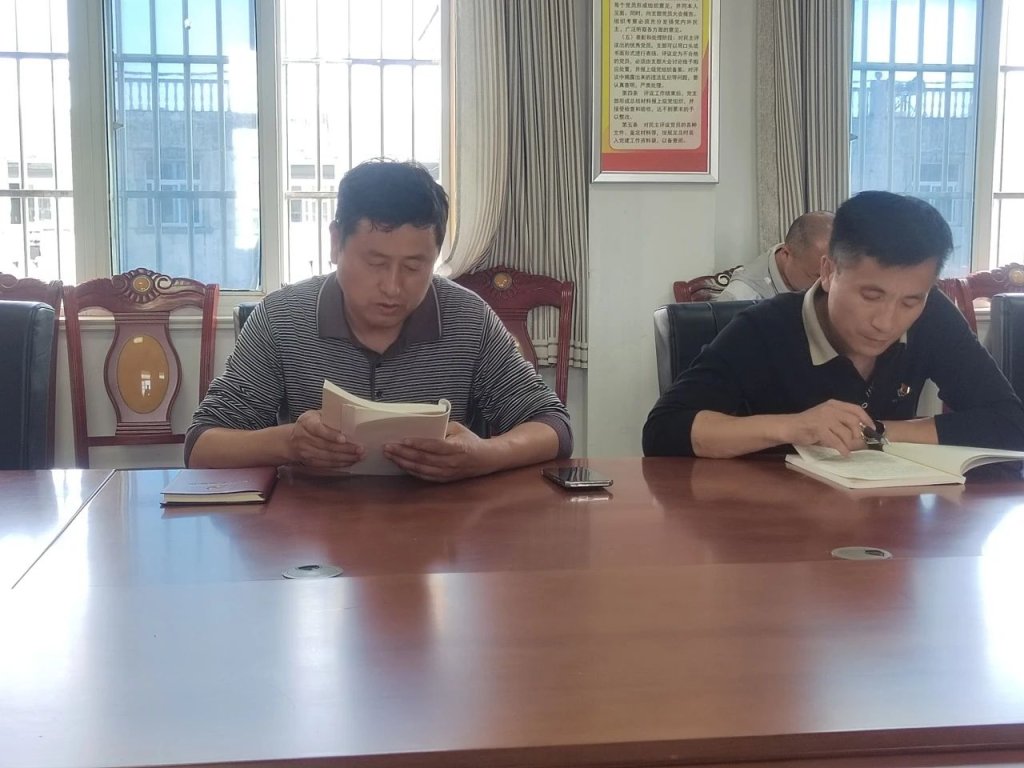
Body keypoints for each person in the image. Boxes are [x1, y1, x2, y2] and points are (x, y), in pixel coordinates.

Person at [187, 159, 572, 481]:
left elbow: (553, 425)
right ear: (335, 242)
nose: (392, 287)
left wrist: (484, 455)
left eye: (414, 266)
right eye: (375, 263)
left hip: (440, 529)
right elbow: (202, 445)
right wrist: (290, 443)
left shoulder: (468, 318)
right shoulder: (281, 318)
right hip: (313, 532)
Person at [644, 191, 1024, 458]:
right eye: (871, 295)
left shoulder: (932, 316)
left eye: (910, 301)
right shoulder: (765, 327)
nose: (886, 322)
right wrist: (795, 427)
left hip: (886, 523)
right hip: (772, 525)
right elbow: (664, 431)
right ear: (828, 272)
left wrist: (877, 433)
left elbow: (1010, 423)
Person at [715, 211, 834, 301]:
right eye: (817, 276)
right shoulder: (741, 297)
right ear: (786, 254)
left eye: (836, 274)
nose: (830, 285)